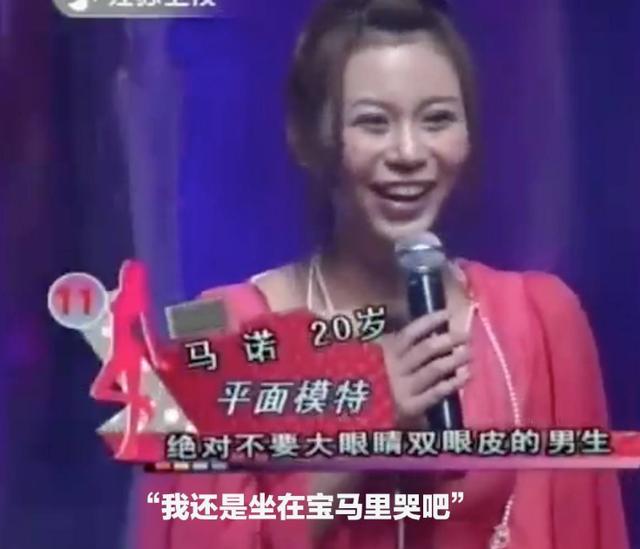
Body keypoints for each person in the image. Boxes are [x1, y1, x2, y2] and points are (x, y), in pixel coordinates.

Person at [129, 0, 629, 547]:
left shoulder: (539, 322)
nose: (409, 153)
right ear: (309, 138)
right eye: (373, 123)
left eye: (437, 119)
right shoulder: (219, 333)